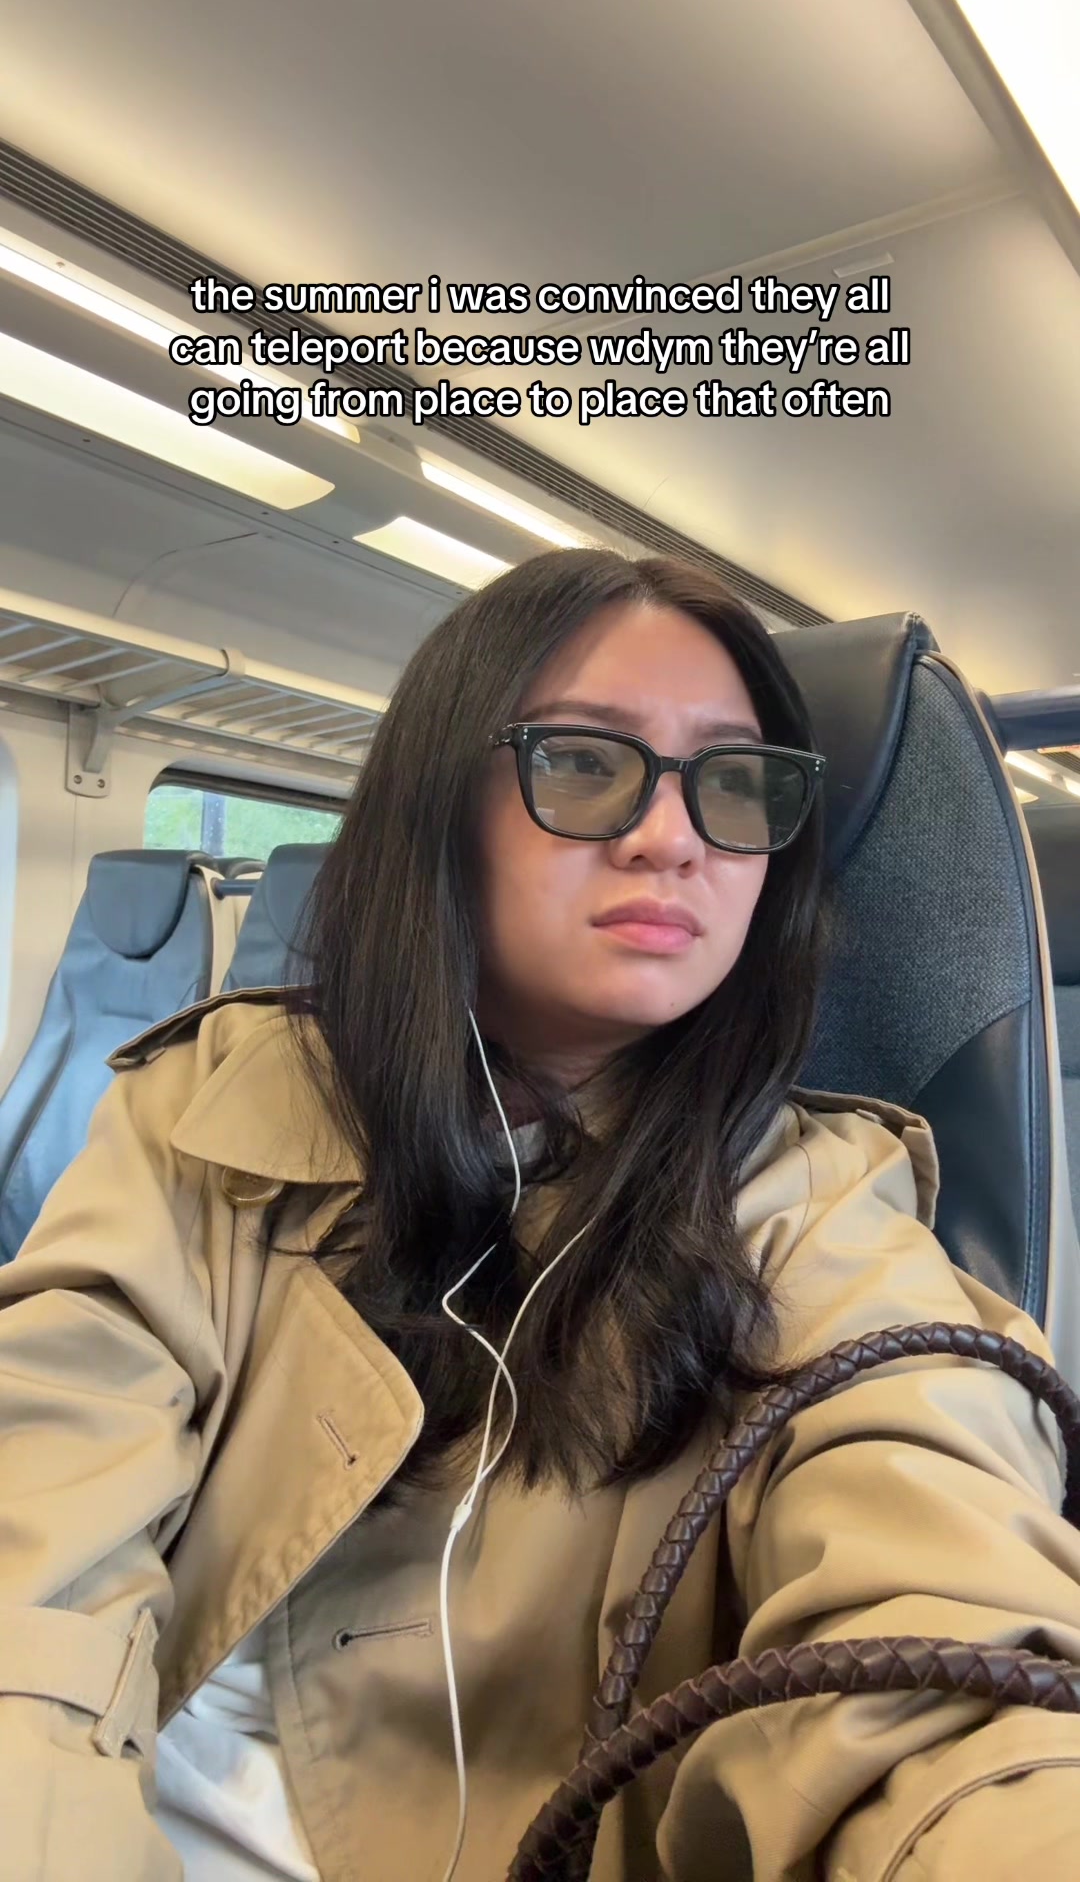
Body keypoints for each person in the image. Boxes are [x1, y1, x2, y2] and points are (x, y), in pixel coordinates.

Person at [1, 548, 1079, 1882]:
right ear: (436, 808)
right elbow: (36, 1510)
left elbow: (939, 1633)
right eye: (582, 761)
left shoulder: (817, 1208)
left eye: (736, 783)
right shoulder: (212, 1103)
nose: (672, 836)